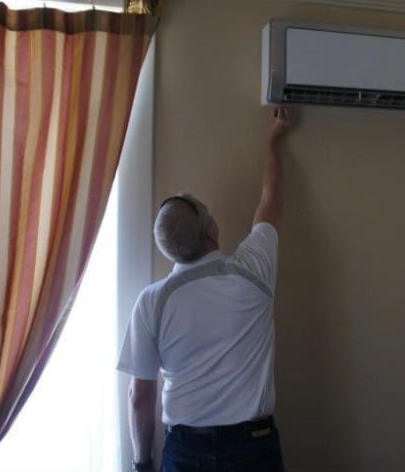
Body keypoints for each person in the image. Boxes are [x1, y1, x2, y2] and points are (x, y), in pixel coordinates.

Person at [117, 105, 294, 472]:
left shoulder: (152, 302)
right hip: (254, 447)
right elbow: (271, 202)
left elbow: (139, 397)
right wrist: (273, 140)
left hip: (186, 451)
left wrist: (142, 465)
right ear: (212, 231)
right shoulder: (253, 272)